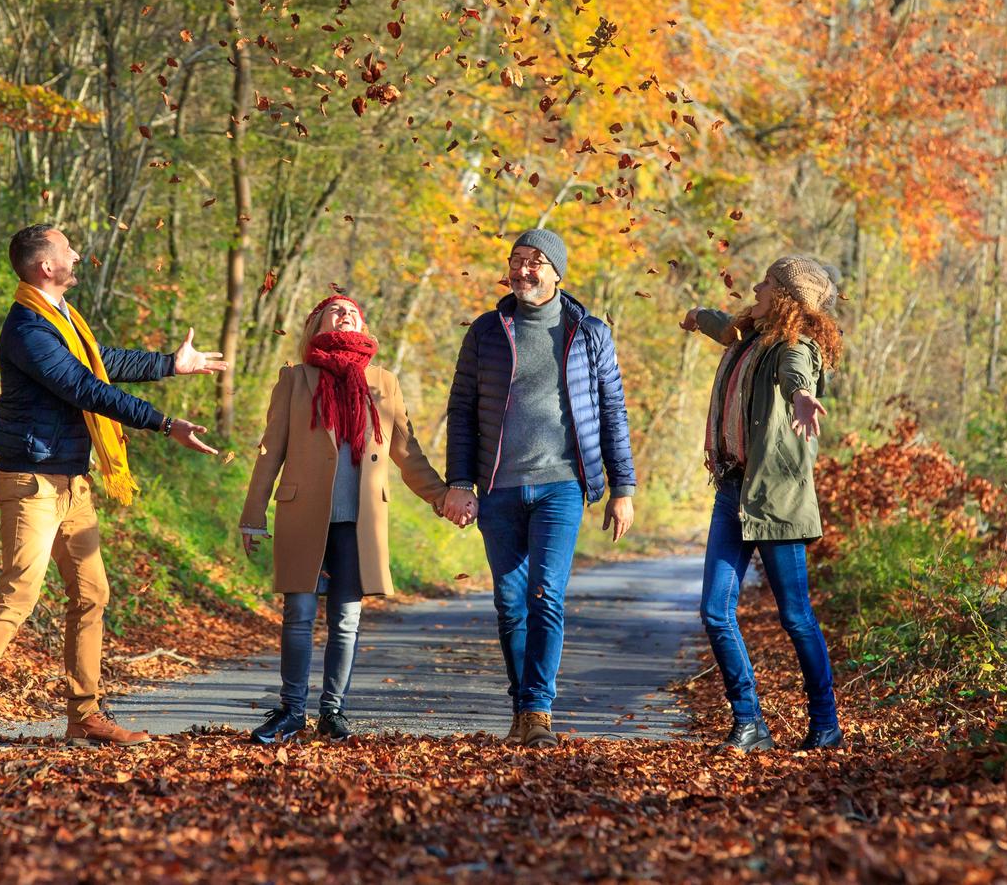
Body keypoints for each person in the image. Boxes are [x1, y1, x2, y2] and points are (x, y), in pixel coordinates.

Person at [0, 224, 225, 748]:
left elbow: (100, 361)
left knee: (92, 594)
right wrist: (162, 422)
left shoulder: (62, 320)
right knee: (19, 592)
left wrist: (170, 365)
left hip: (72, 480)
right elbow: (84, 387)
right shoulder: (27, 328)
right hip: (32, 480)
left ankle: (84, 715)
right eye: (67, 250)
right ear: (46, 266)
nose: (77, 255)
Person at [442, 229, 637, 748]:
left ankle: (537, 711)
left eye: (535, 261)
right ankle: (522, 704)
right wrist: (460, 481)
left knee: (545, 594)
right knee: (510, 603)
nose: (523, 270)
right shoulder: (486, 331)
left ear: (557, 272)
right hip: (499, 489)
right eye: (516, 260)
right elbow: (461, 411)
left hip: (561, 486)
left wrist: (624, 487)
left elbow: (612, 412)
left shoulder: (588, 332)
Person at [238, 294, 452, 744]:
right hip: (302, 513)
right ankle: (291, 711)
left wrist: (443, 496)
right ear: (316, 324)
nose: (346, 314)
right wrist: (253, 514)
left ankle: (332, 712)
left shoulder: (383, 382)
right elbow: (269, 450)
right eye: (335, 310)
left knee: (347, 619)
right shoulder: (295, 379)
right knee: (298, 613)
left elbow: (407, 453)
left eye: (353, 311)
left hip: (359, 520)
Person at [679, 255, 844, 752]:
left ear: (789, 298)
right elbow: (725, 331)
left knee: (795, 617)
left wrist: (801, 397)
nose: (756, 286)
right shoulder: (751, 334)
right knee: (714, 610)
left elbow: (797, 371)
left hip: (777, 500)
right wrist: (697, 315)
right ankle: (749, 721)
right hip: (731, 489)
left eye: (767, 283)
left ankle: (826, 723)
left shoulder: (796, 347)